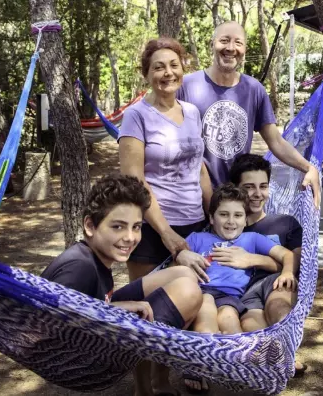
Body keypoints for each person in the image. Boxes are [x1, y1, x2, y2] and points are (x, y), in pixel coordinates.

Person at [118, 36, 214, 396]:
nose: (167, 73)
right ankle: (144, 388)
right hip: (150, 229)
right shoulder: (136, 116)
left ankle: (163, 380)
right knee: (144, 315)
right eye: (158, 67)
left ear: (183, 69)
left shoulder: (192, 112)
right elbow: (134, 181)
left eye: (173, 65)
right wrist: (166, 234)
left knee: (178, 310)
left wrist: (212, 214)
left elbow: (199, 168)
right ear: (147, 74)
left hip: (194, 226)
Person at [178, 21, 321, 207]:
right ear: (212, 44)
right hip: (192, 201)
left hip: (237, 203)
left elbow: (276, 142)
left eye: (238, 43)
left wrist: (308, 167)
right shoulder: (186, 86)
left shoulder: (254, 90)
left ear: (244, 49)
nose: (231, 48)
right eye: (224, 40)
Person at [40, 173, 202, 330]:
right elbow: (52, 328)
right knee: (188, 292)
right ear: (90, 226)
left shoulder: (95, 259)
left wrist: (113, 307)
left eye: (136, 227)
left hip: (100, 315)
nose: (130, 237)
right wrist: (116, 310)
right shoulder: (80, 268)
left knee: (183, 273)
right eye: (118, 227)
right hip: (95, 344)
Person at [177, 183, 295, 394]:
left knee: (230, 321)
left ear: (245, 219)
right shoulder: (196, 238)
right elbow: (172, 268)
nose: (231, 221)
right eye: (224, 214)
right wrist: (182, 257)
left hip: (230, 297)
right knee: (206, 309)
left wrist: (287, 272)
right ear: (211, 218)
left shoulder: (252, 239)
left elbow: (287, 255)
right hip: (199, 292)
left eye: (238, 215)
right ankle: (199, 363)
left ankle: (238, 366)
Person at [225, 154, 308, 375]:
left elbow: (297, 259)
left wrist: (254, 260)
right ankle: (274, 363)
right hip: (245, 294)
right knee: (250, 325)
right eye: (249, 187)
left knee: (277, 306)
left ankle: (287, 352)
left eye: (263, 186)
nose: (257, 193)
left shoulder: (285, 223)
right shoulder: (229, 227)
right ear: (235, 188)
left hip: (278, 282)